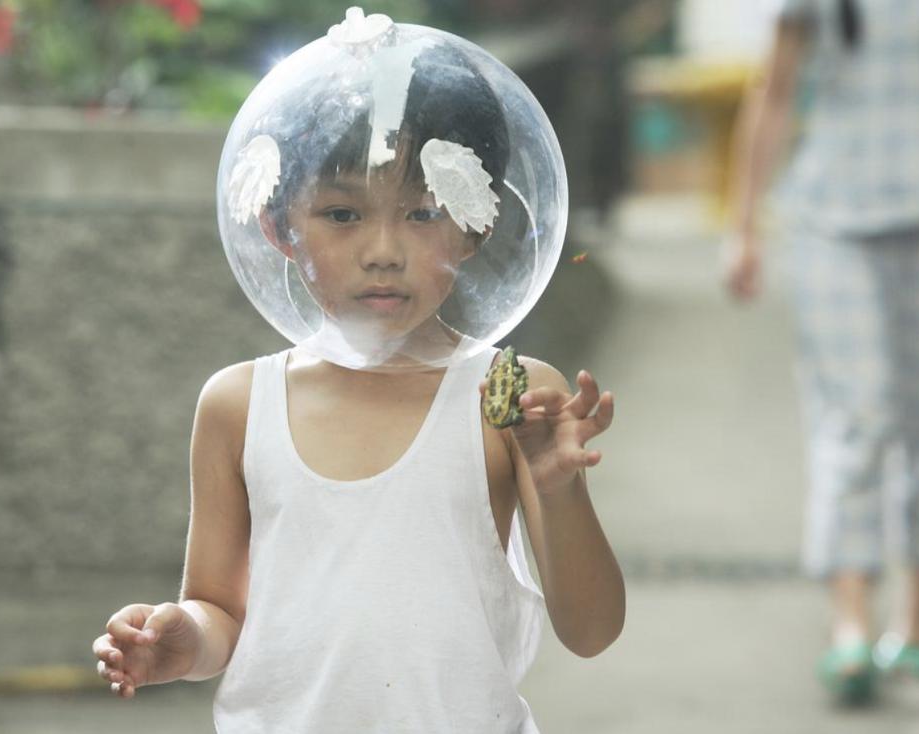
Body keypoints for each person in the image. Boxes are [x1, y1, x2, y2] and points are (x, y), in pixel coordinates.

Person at [91, 18, 625, 733]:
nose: (382, 250)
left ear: (475, 223)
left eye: (423, 213)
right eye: (342, 214)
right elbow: (219, 609)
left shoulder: (511, 399)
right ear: (278, 226)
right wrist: (184, 639)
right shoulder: (239, 405)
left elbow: (591, 632)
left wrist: (559, 490)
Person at [726, 0, 919, 703]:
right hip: (835, 223)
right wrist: (743, 226)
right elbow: (774, 91)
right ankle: (851, 628)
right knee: (856, 416)